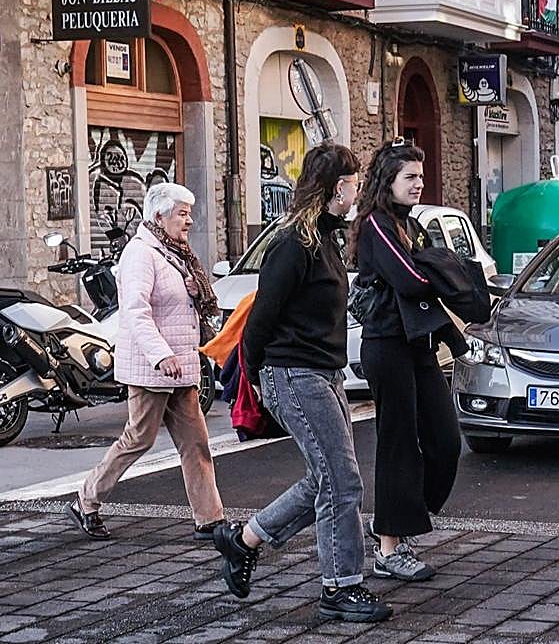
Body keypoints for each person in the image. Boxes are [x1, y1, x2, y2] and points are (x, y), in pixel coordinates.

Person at [212, 142, 392, 624]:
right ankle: (341, 586)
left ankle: (243, 540)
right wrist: (257, 380)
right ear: (336, 188)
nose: (358, 190)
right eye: (353, 182)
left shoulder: (326, 238)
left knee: (326, 478)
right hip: (294, 373)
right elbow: (260, 321)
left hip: (324, 373)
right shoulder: (293, 244)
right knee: (342, 481)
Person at [68, 182, 224, 541]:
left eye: (189, 214)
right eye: (182, 214)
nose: (189, 221)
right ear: (159, 216)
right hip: (152, 368)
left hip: (181, 367)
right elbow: (136, 312)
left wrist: (196, 291)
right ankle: (85, 501)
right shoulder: (141, 254)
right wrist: (161, 355)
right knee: (138, 439)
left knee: (196, 444)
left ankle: (209, 519)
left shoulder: (175, 252)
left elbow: (180, 303)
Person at [349, 141, 463, 582]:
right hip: (387, 345)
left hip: (418, 344)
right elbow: (413, 280)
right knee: (397, 443)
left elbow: (428, 276)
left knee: (445, 440)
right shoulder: (377, 224)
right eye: (410, 177)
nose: (419, 184)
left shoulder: (410, 225)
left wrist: (443, 276)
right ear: (388, 181)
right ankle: (389, 546)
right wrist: (447, 274)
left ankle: (402, 517)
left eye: (420, 176)